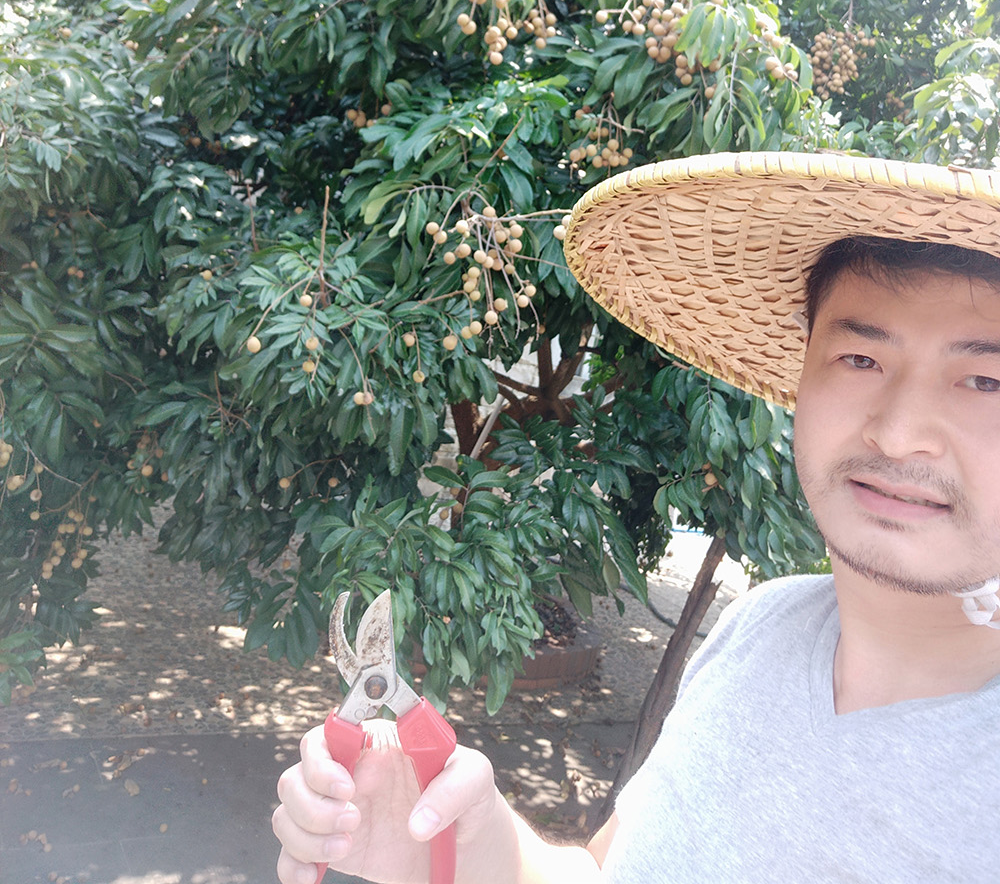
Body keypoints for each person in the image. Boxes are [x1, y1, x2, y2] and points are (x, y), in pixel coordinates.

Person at [272, 151, 1000, 883]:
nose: (898, 434)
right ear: (801, 374)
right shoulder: (763, 629)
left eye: (985, 380)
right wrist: (476, 850)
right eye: (860, 359)